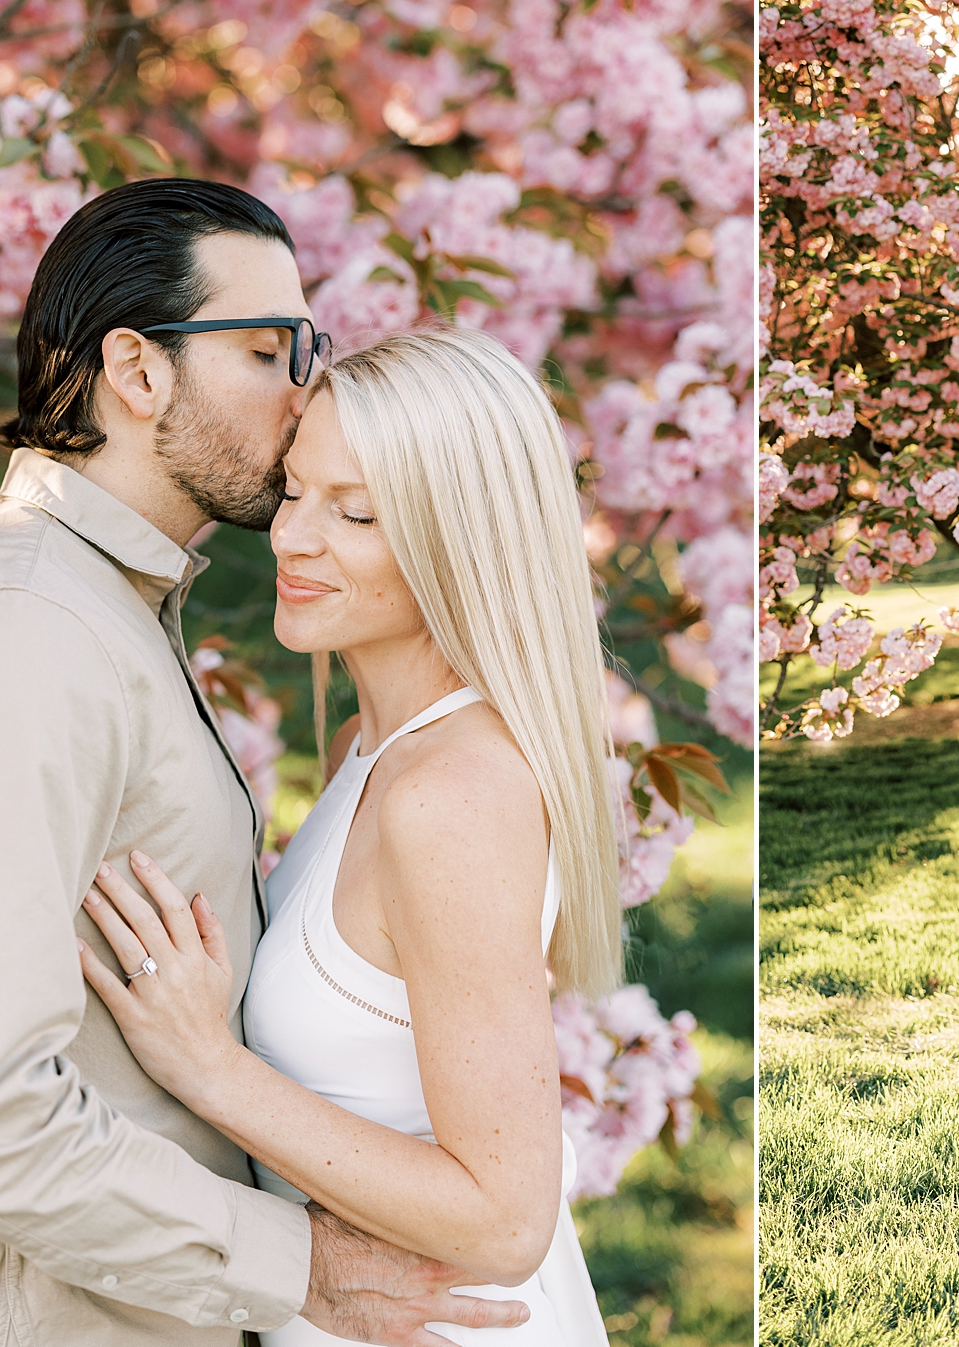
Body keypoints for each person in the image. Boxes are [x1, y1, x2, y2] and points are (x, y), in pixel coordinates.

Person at [0, 179, 530, 1345]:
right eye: (266, 350)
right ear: (139, 372)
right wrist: (297, 1264)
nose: (304, 393)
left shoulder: (106, 607)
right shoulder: (20, 630)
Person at [75, 328, 621, 1346]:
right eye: (293, 491)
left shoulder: (450, 794)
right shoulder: (370, 751)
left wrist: (208, 1064)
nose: (291, 538)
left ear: (462, 541)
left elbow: (504, 1220)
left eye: (356, 511)